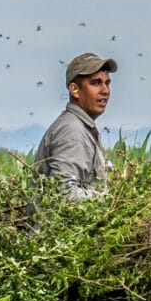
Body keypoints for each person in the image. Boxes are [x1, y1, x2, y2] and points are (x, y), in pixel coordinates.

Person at [36, 52, 115, 196]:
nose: (105, 90)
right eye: (96, 83)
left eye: (107, 83)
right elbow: (65, 194)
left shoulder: (82, 127)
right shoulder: (72, 132)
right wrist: (109, 203)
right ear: (75, 90)